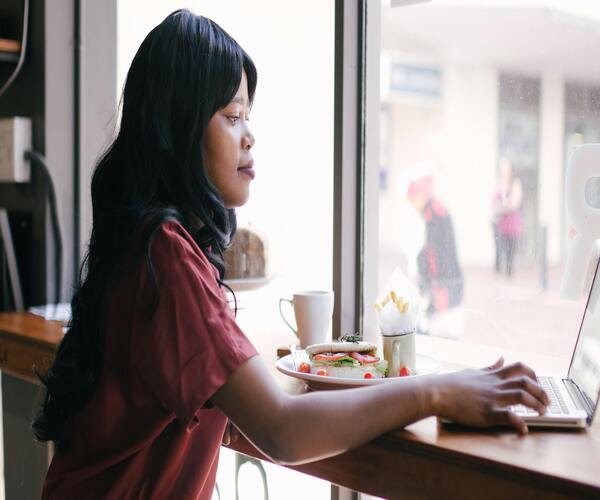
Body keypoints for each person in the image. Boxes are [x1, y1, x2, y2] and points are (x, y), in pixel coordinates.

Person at [33, 10, 549, 499]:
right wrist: (437, 392)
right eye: (233, 116)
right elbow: (281, 430)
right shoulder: (166, 257)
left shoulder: (145, 240)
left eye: (248, 116)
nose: (250, 135)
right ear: (179, 131)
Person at [407, 175, 463, 318]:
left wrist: (435, 283)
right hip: (446, 278)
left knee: (440, 320)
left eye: (412, 200)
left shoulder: (433, 212)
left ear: (420, 196)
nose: (412, 206)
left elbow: (437, 251)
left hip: (445, 279)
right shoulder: (432, 209)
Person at [492, 157, 523, 277]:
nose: (503, 170)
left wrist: (502, 208)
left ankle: (509, 274)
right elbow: (493, 200)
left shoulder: (515, 183)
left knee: (511, 250)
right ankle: (499, 273)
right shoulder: (499, 182)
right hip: (500, 222)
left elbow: (514, 204)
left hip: (512, 222)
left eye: (505, 167)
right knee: (500, 249)